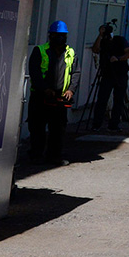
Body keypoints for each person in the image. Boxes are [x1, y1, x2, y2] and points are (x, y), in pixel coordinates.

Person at [27, 22, 76, 164]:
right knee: (37, 128)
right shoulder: (40, 51)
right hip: (40, 97)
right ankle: (36, 155)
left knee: (57, 130)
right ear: (51, 36)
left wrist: (71, 90)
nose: (60, 38)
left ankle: (54, 156)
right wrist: (44, 89)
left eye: (62, 36)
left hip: (60, 99)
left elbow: (76, 72)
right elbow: (34, 73)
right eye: (57, 35)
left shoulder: (70, 53)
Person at [91, 24, 129, 131]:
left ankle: (114, 124)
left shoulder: (120, 40)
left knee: (118, 100)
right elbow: (95, 50)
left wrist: (118, 58)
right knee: (102, 99)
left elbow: (128, 54)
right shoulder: (103, 41)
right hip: (107, 73)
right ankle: (96, 124)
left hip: (120, 74)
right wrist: (100, 36)